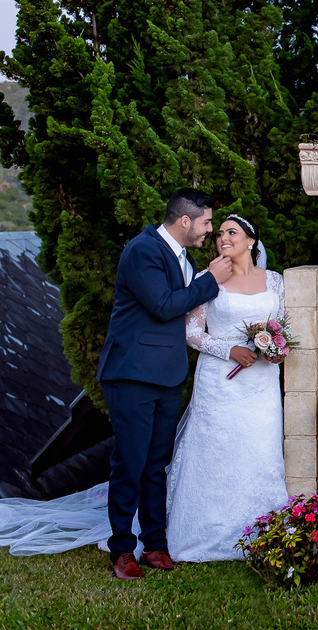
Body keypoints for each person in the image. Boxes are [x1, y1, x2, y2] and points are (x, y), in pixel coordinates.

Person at [97, 188, 232, 579]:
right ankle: (122, 550)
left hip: (168, 375)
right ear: (185, 221)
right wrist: (211, 281)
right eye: (206, 222)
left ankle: (155, 544)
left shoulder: (184, 257)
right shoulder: (142, 251)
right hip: (132, 374)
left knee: (157, 465)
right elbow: (162, 306)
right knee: (130, 463)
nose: (210, 230)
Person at [165, 214, 289, 561]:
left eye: (232, 232)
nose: (223, 238)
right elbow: (191, 333)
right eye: (219, 233)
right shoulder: (208, 279)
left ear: (251, 241)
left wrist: (275, 349)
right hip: (219, 381)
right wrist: (229, 350)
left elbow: (282, 327)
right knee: (217, 448)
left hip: (261, 382)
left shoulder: (275, 281)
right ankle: (205, 530)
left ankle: (261, 527)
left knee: (258, 447)